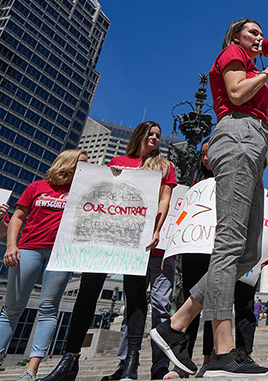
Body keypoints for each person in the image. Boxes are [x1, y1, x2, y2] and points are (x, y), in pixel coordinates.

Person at [151, 18, 268, 377]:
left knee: (248, 252)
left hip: (253, 143)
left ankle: (176, 323)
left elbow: (253, 112)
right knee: (229, 245)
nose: (260, 37)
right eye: (253, 32)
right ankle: (223, 350)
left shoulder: (251, 67)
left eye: (261, 33)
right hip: (238, 138)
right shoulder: (232, 53)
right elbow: (237, 96)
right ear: (236, 36)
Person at [39, 122, 176, 381]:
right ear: (139, 135)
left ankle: (131, 362)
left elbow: (164, 199)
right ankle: (71, 359)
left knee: (136, 296)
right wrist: (109, 174)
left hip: (137, 237)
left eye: (158, 136)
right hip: (103, 235)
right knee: (87, 293)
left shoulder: (164, 166)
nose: (155, 138)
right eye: (151, 134)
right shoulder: (117, 160)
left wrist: (156, 229)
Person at [172, 138, 268, 379]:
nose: (207, 157)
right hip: (196, 247)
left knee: (214, 300)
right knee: (192, 297)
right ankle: (180, 360)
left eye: (211, 152)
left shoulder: (237, 180)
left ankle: (210, 357)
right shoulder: (196, 186)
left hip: (222, 249)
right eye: (204, 154)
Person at [0, 150, 87, 381]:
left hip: (61, 255)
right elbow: (18, 217)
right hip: (29, 248)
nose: (86, 169)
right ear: (67, 164)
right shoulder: (36, 187)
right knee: (12, 309)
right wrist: (11, 246)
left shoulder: (81, 192)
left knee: (49, 309)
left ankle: (31, 370)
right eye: (83, 164)